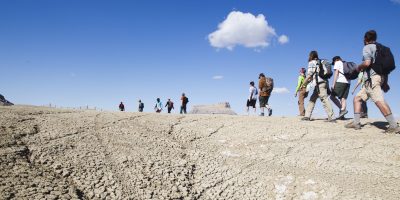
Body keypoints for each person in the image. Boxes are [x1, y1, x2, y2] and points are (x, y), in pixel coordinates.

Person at [345, 30, 399, 133]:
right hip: (376, 79)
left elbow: (367, 63)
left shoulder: (367, 47)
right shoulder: (380, 48)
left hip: (372, 79)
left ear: (365, 39)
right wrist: (385, 81)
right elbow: (384, 69)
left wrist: (357, 68)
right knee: (357, 99)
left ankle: (393, 126)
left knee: (379, 101)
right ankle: (356, 123)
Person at [302, 51, 335, 122]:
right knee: (312, 99)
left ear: (310, 56)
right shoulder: (320, 61)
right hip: (323, 82)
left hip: (319, 83)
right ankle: (307, 116)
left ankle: (332, 117)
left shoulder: (312, 62)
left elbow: (309, 75)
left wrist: (303, 84)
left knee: (324, 99)